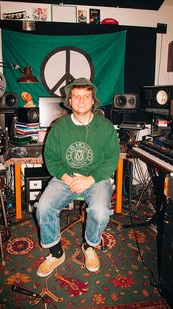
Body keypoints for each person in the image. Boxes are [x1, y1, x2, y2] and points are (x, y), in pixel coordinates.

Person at [35, 77, 120, 277]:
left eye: (86, 97)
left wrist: (90, 179)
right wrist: (67, 178)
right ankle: (56, 253)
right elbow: (51, 158)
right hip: (67, 177)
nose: (81, 101)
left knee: (100, 211)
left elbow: (111, 159)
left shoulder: (106, 126)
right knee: (43, 207)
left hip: (96, 178)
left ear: (93, 101)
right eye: (76, 97)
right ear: (69, 101)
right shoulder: (58, 127)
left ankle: (89, 247)